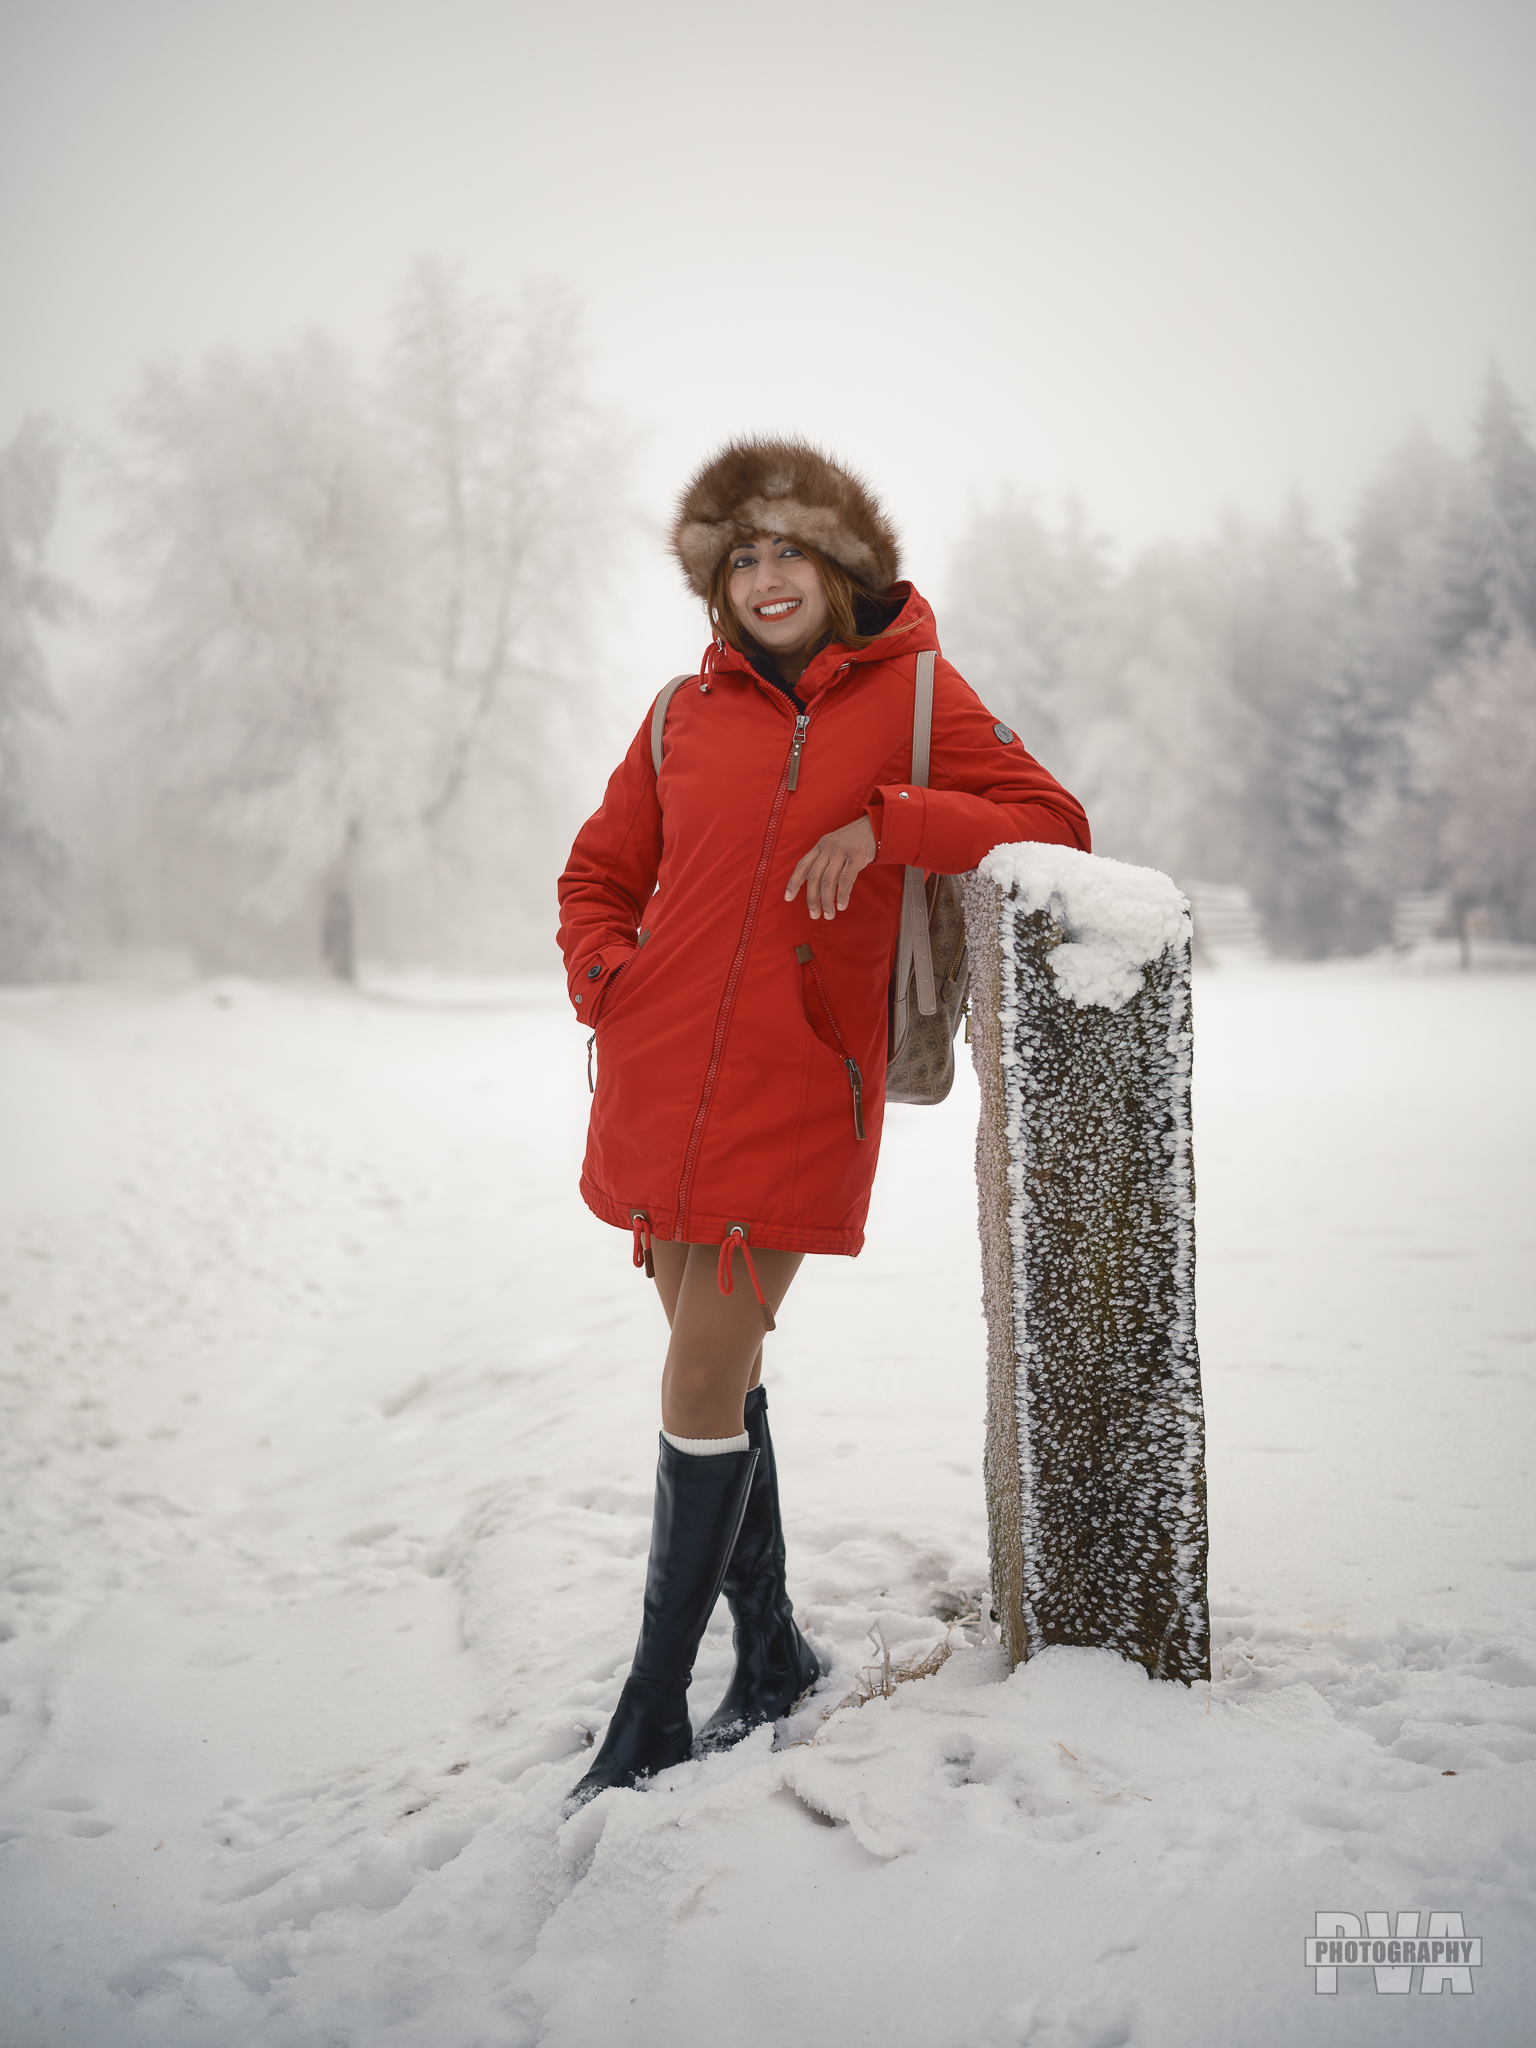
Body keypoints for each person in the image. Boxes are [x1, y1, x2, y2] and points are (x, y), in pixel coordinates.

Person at [557, 438, 1089, 1807]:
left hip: (800, 1093)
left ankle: (652, 1710)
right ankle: (775, 1652)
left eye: (790, 548)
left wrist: (890, 822)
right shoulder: (680, 715)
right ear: (716, 585)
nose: (767, 575)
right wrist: (609, 982)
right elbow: (597, 874)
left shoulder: (915, 695)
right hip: (658, 1082)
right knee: (717, 1377)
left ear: (841, 565)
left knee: (696, 1386)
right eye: (741, 556)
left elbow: (1051, 819)